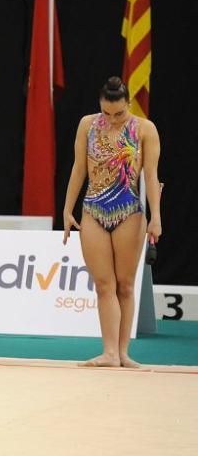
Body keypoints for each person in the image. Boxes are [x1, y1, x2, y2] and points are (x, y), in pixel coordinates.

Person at [62, 76, 161, 368]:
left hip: (129, 210)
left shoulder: (144, 129)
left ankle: (123, 352)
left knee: (126, 286)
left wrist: (156, 216)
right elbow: (79, 168)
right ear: (100, 106)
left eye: (119, 113)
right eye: (107, 113)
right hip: (93, 209)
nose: (113, 119)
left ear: (128, 104)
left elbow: (151, 176)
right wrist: (67, 209)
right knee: (104, 285)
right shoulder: (87, 125)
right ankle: (109, 352)